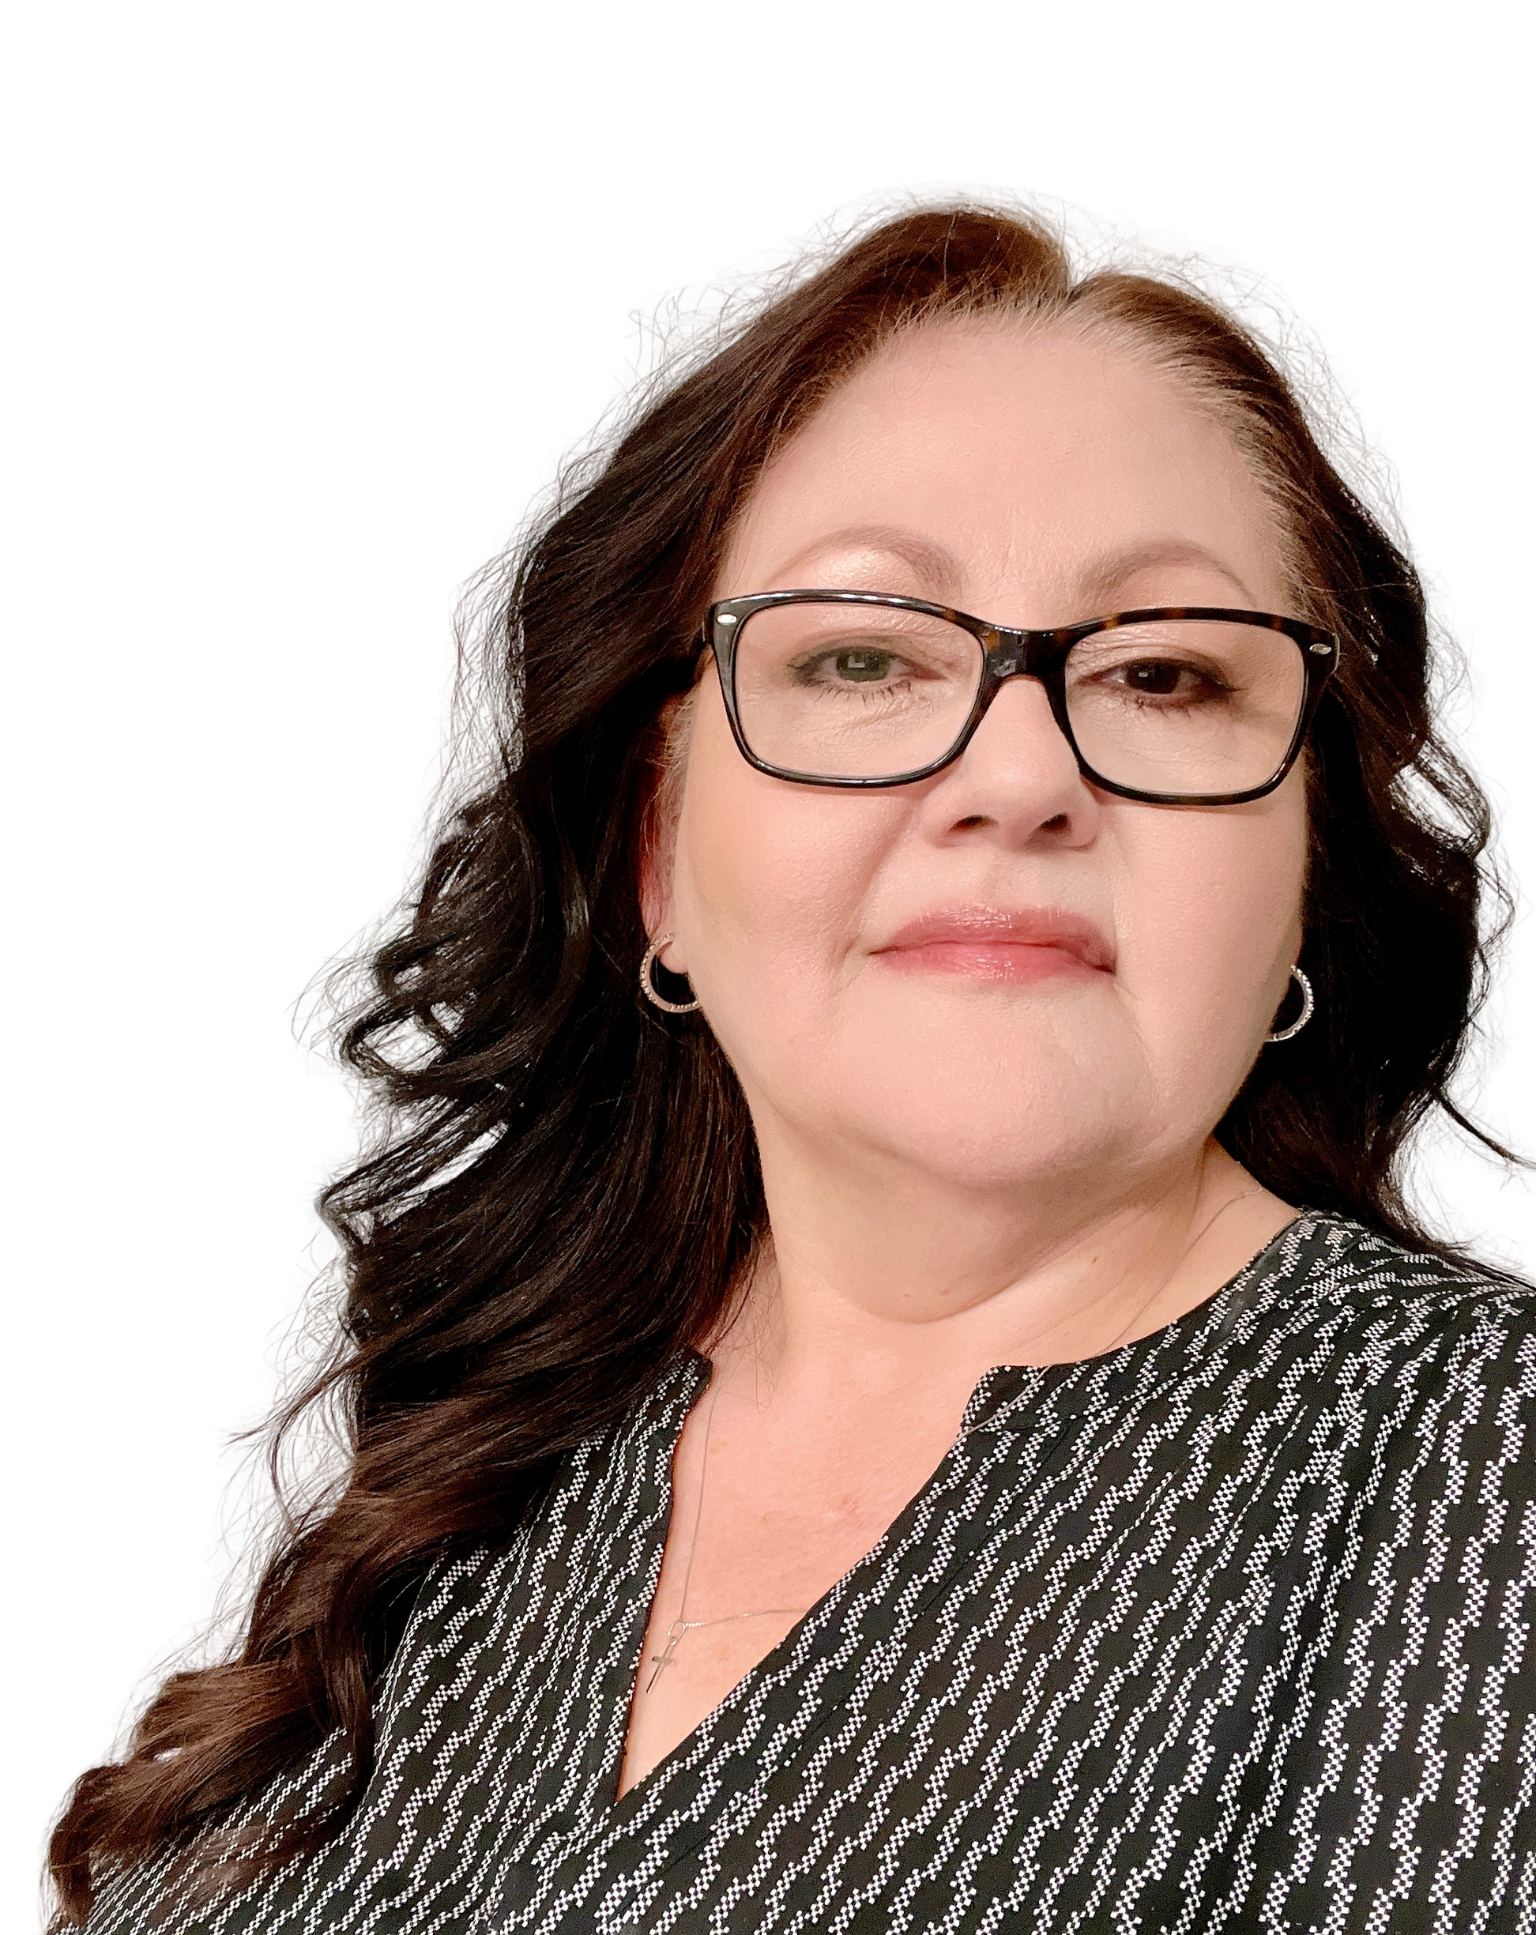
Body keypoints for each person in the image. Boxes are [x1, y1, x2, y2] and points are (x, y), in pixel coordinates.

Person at [50, 205, 1536, 1934]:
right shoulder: (473, 1476)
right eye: (860, 657)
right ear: (660, 849)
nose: (1018, 775)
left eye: (1161, 673)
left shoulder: (1475, 1479)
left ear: (1304, 866)